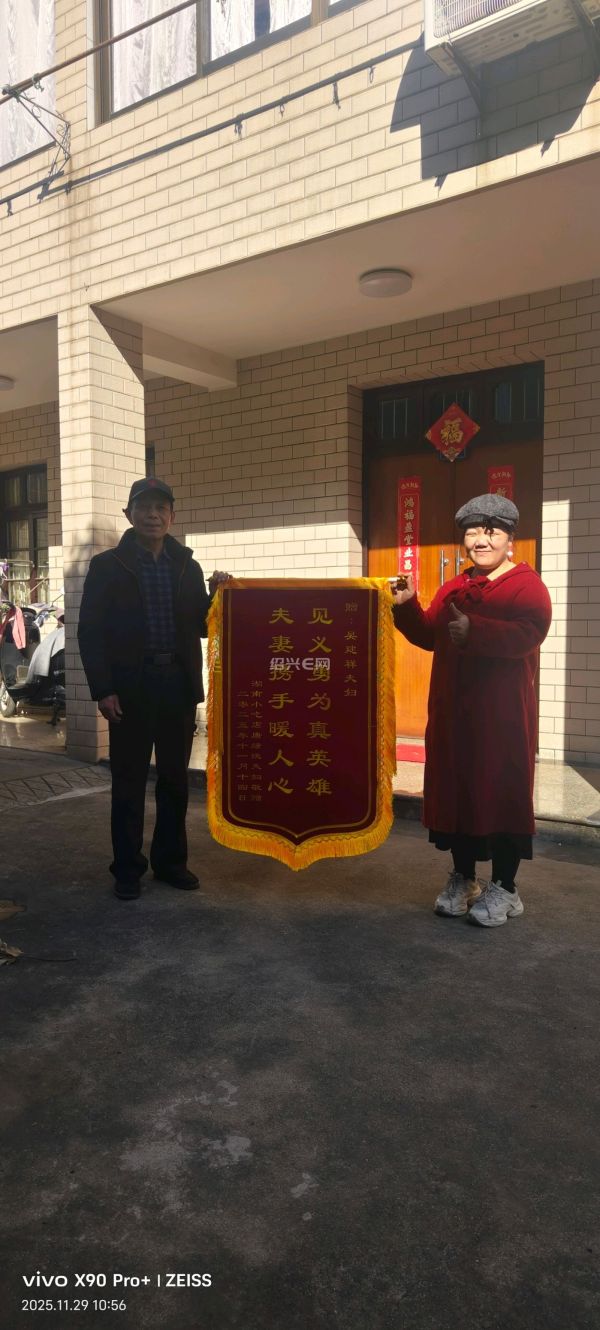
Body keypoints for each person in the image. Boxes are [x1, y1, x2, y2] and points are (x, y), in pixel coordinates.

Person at [392, 493, 552, 928]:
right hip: (452, 716)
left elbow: (529, 633)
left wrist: (475, 630)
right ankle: (464, 879)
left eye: (491, 531)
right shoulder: (454, 587)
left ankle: (506, 888)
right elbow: (430, 634)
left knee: (501, 794)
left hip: (501, 720)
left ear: (510, 539)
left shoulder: (527, 586)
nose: (481, 540)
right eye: (472, 532)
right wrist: (407, 604)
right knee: (457, 794)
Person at [77, 477, 229, 901]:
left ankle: (170, 863)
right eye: (144, 507)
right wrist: (103, 689)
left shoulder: (187, 566)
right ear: (129, 514)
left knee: (176, 781)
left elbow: (202, 626)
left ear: (172, 517)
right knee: (128, 782)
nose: (153, 515)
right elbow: (90, 631)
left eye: (161, 508)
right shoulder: (109, 566)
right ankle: (127, 869)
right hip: (131, 688)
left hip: (177, 686)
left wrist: (218, 595)